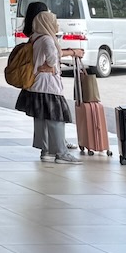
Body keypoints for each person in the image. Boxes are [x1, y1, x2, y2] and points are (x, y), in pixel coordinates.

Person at [17, 10, 82, 163]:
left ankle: (46, 151)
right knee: (56, 119)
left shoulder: (35, 37)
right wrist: (50, 66)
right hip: (49, 86)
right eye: (54, 21)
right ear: (47, 23)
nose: (57, 24)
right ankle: (61, 153)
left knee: (42, 119)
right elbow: (53, 58)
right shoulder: (47, 39)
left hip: (36, 85)